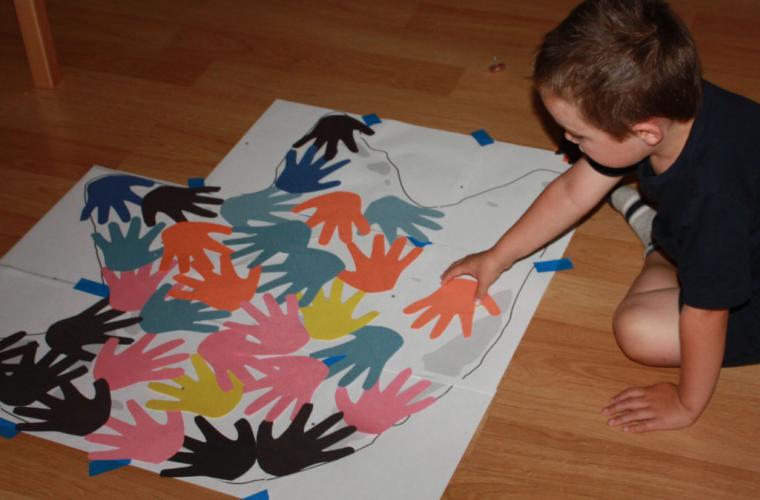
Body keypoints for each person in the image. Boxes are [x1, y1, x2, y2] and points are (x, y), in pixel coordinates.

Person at [441, 0, 760, 433]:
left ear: (645, 130)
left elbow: (707, 315)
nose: (568, 141)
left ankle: (656, 246)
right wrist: (498, 256)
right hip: (729, 234)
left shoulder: (716, 200)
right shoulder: (674, 102)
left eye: (579, 135)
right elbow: (574, 191)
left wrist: (686, 404)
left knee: (637, 332)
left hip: (736, 264)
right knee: (681, 247)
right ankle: (662, 244)